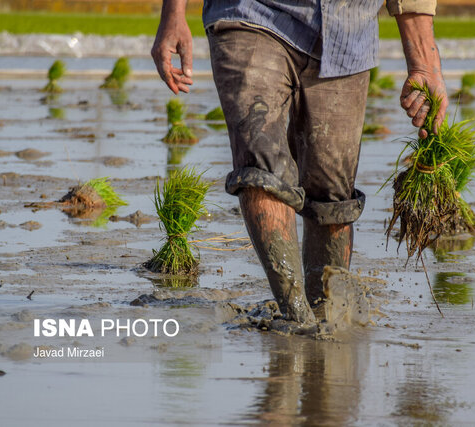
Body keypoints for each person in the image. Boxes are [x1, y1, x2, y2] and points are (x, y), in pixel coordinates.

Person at [152, 0, 449, 325]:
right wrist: (174, 14)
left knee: (332, 195)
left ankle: (326, 316)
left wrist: (423, 65)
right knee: (259, 166)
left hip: (348, 29)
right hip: (249, 13)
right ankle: (296, 317)